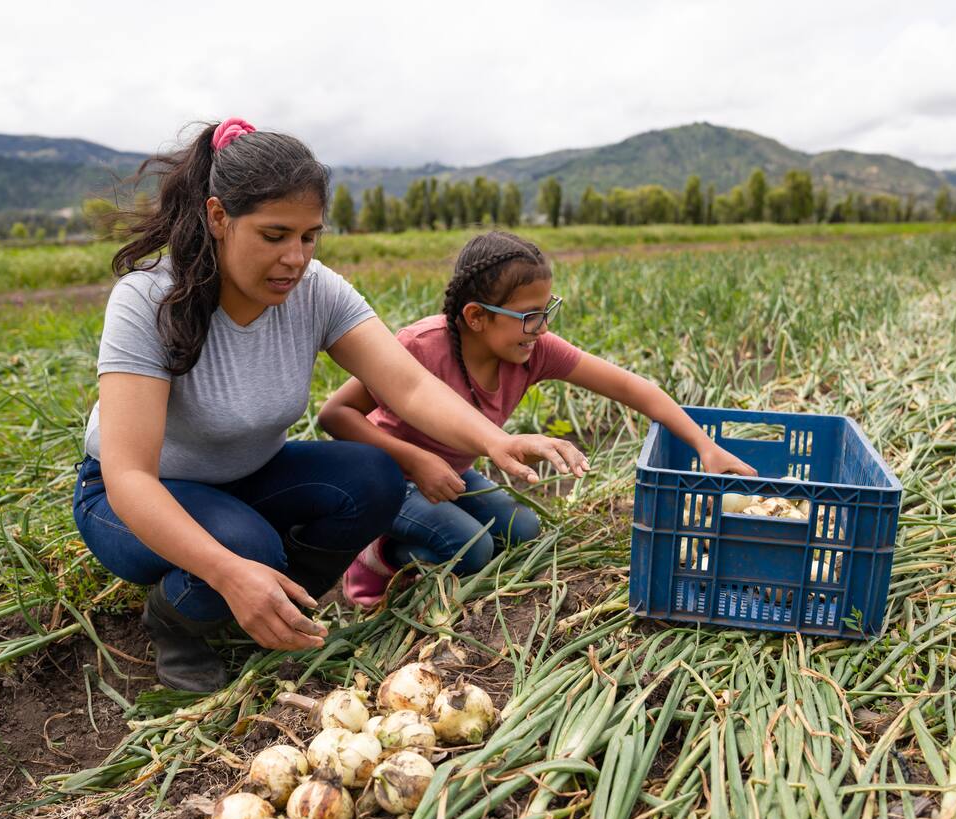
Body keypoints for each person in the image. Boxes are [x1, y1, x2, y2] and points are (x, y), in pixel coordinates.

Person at [73, 121, 587, 693]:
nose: (294, 258)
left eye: (309, 237)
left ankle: (278, 602)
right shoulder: (150, 299)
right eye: (274, 235)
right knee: (245, 549)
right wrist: (228, 570)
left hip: (249, 476)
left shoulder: (315, 290)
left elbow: (409, 387)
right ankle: (176, 623)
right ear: (218, 217)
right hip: (130, 498)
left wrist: (496, 441)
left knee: (374, 475)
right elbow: (130, 476)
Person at [318, 231, 758, 607]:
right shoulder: (419, 346)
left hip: (452, 473)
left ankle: (418, 542)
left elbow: (630, 387)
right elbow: (335, 414)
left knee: (523, 530)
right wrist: (415, 461)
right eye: (530, 316)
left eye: (547, 311)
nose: (543, 328)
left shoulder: (534, 350)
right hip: (388, 480)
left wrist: (706, 446)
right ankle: (376, 558)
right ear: (476, 316)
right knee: (471, 549)